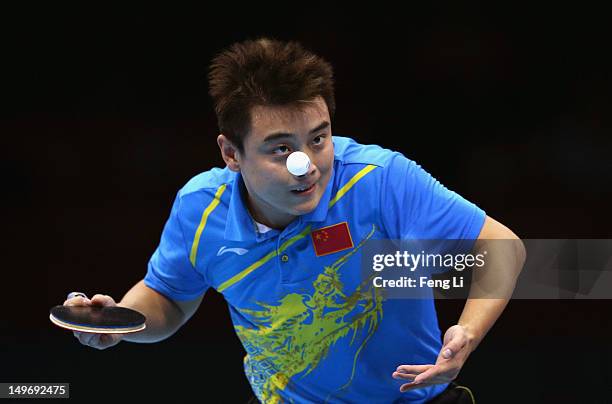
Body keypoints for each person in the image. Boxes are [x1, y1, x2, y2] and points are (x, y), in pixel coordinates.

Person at [64, 38, 525, 403]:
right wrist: (120, 321)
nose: (307, 165)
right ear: (230, 153)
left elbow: (502, 248)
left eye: (319, 138)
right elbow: (169, 297)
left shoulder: (379, 181)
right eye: (280, 148)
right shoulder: (201, 210)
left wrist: (467, 331)